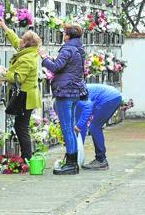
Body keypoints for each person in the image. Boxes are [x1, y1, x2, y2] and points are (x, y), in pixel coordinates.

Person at [39, 24, 88, 175]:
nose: (63, 35)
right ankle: (71, 162)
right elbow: (67, 67)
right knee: (70, 127)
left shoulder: (67, 48)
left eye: (64, 33)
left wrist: (44, 57)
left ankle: (71, 164)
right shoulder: (78, 49)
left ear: (68, 35)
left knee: (67, 128)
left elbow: (56, 67)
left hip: (65, 92)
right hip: (74, 92)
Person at [0, 20, 42, 160]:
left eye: (23, 39)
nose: (20, 40)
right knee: (20, 126)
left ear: (27, 43)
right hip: (26, 95)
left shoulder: (27, 59)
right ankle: (26, 157)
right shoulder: (28, 51)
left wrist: (2, 74)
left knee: (21, 127)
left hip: (25, 97)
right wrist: (4, 26)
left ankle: (27, 158)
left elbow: (18, 78)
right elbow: (15, 41)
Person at [74, 84, 122, 170]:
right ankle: (101, 159)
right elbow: (82, 128)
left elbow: (80, 127)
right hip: (114, 96)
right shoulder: (72, 93)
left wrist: (75, 152)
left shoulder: (74, 98)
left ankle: (101, 160)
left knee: (95, 127)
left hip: (109, 98)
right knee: (95, 126)